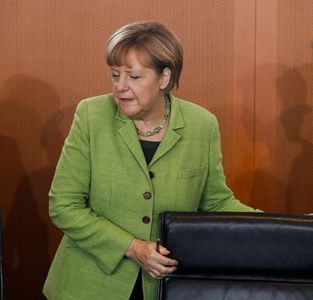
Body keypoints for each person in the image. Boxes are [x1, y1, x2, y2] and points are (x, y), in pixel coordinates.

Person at [43, 20, 259, 300]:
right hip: (88, 286)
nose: (120, 87)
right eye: (114, 75)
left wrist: (283, 227)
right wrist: (134, 247)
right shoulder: (91, 115)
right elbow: (64, 205)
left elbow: (215, 202)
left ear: (164, 78)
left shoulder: (201, 124)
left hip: (164, 288)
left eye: (133, 77)